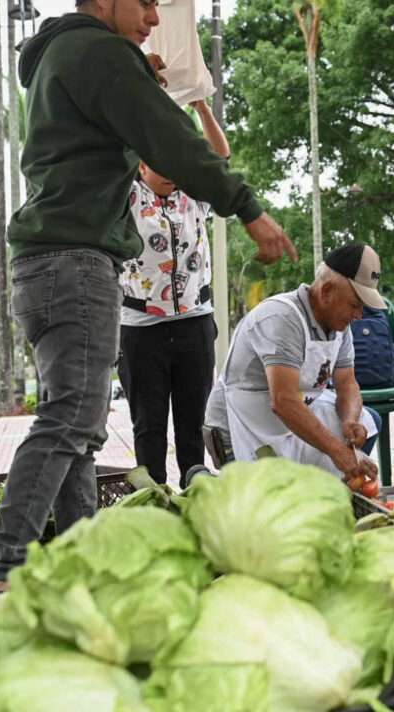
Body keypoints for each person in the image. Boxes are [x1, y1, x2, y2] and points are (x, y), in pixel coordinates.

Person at [0, 0, 297, 606]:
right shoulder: (98, 50)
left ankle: (83, 561)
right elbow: (171, 140)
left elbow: (114, 132)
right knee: (70, 421)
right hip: (74, 261)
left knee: (79, 428)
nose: (153, 17)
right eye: (144, 2)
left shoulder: (65, 53)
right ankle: (2, 572)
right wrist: (248, 207)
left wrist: (137, 77)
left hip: (46, 266)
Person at [203, 243, 384, 480]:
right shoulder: (282, 318)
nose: (359, 315)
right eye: (354, 305)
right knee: (276, 499)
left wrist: (350, 420)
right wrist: (337, 451)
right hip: (242, 428)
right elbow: (283, 400)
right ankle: (207, 477)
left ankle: (336, 490)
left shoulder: (341, 327)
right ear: (326, 290)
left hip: (290, 420)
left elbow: (347, 383)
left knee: (369, 420)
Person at [117, 98, 227, 485]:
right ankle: (154, 497)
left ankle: (195, 490)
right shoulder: (126, 197)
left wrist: (202, 108)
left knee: (192, 422)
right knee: (148, 425)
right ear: (141, 165)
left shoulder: (193, 196)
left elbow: (219, 157)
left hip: (194, 323)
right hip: (141, 327)